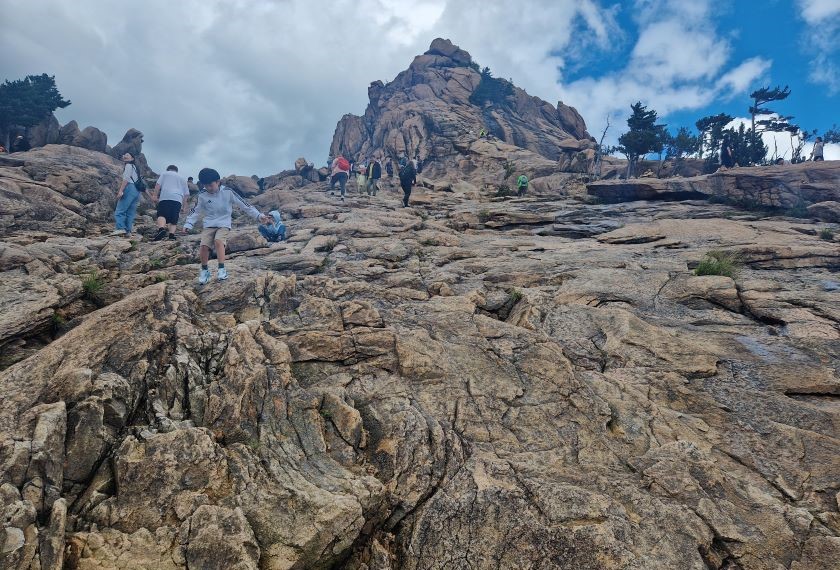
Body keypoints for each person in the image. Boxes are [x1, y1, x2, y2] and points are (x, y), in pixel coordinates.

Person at [183, 167, 270, 284]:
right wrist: (188, 223)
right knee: (204, 246)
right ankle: (204, 271)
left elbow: (245, 205)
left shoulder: (228, 192)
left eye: (211, 185)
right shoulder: (202, 195)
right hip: (209, 224)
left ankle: (222, 269)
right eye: (205, 185)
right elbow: (195, 211)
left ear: (218, 182)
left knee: (219, 241)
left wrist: (259, 216)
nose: (208, 188)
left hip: (224, 223)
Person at [151, 164, 190, 241]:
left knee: (162, 214)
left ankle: (161, 229)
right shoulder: (182, 178)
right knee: (174, 218)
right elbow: (186, 194)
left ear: (168, 169)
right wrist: (184, 206)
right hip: (178, 199)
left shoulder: (165, 173)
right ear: (176, 170)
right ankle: (171, 235)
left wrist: (155, 195)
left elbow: (158, 184)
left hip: (166, 196)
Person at [112, 153, 147, 236]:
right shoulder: (135, 167)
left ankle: (120, 228)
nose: (124, 155)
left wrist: (121, 191)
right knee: (130, 212)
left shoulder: (128, 166)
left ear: (132, 158)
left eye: (127, 155)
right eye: (124, 155)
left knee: (120, 210)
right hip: (136, 191)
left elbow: (126, 179)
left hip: (129, 187)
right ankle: (128, 231)